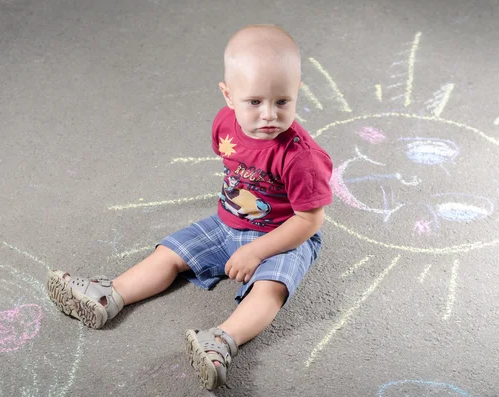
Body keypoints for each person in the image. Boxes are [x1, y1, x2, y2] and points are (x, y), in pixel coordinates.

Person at [46, 24, 333, 390]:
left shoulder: (301, 158)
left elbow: (310, 220)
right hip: (227, 222)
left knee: (271, 288)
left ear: (297, 94)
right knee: (170, 252)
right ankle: (109, 295)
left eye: (282, 102)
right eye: (255, 102)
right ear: (229, 96)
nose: (268, 116)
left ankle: (222, 341)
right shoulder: (225, 126)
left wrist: (259, 250)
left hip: (283, 235)